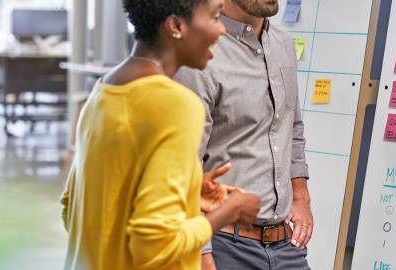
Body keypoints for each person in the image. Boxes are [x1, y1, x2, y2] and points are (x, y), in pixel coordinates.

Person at [59, 0, 261, 269]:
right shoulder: (176, 104)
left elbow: (72, 207)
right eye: (214, 16)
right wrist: (229, 212)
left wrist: (189, 190)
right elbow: (155, 246)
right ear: (176, 25)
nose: (221, 29)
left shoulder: (102, 92)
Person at [174, 0, 313, 269]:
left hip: (286, 245)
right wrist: (199, 253)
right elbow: (182, 165)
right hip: (224, 246)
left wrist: (301, 196)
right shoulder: (198, 53)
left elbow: (292, 127)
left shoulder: (283, 43)